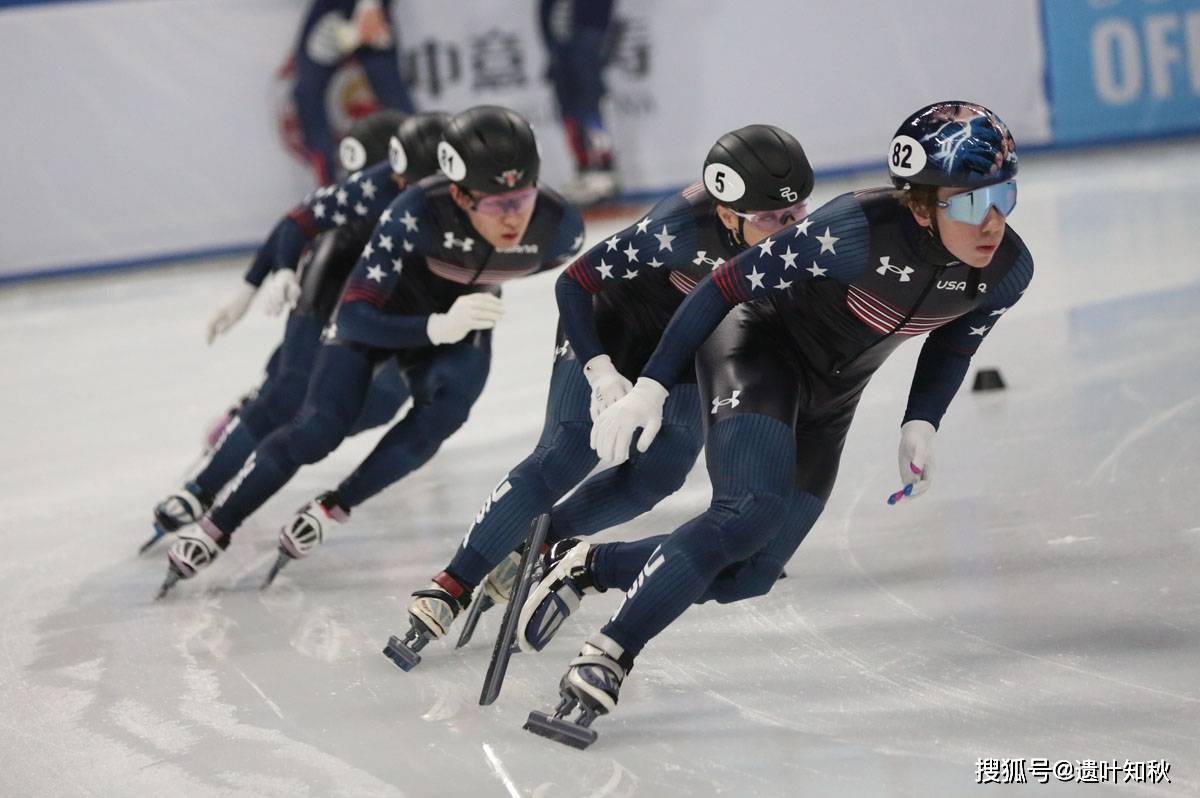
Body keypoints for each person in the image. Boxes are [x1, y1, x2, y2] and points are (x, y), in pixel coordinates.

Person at [523, 101, 1034, 743]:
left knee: (751, 574)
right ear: (920, 204)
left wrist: (921, 421)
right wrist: (650, 388)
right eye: (968, 204)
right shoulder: (853, 230)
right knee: (748, 512)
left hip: (833, 393)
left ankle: (589, 565)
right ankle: (607, 655)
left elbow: (955, 342)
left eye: (1004, 196)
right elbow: (719, 288)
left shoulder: (1010, 269)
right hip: (758, 349)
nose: (990, 221)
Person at [390, 124, 814, 660]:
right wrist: (599, 370)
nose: (790, 228)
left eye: (798, 211)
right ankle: (451, 584)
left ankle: (532, 546)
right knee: (566, 450)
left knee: (660, 473)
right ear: (728, 213)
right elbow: (573, 282)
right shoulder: (676, 228)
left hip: (682, 347)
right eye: (772, 219)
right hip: (610, 328)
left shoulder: (801, 242)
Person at [158, 106, 585, 595]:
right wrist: (261, 278)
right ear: (457, 192)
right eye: (495, 206)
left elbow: (560, 270)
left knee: (444, 406)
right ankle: (215, 514)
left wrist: (476, 295)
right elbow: (332, 271)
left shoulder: (559, 228)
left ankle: (332, 506)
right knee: (310, 417)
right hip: (364, 283)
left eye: (522, 200)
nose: (512, 219)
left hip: (452, 299)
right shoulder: (406, 206)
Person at [147, 111, 448, 552]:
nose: (399, 190)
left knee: (374, 406)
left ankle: (268, 420)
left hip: (395, 288)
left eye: (410, 183)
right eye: (394, 180)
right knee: (287, 392)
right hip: (336, 269)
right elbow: (298, 219)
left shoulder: (460, 199)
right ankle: (202, 487)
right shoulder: (376, 185)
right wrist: (258, 283)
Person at [293, 0, 415, 183]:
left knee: (396, 101)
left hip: (360, 13)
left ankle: (426, 176)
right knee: (308, 95)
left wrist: (369, 7)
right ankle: (330, 188)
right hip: (337, 11)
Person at [538, 0, 619, 205]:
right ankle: (583, 170)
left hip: (588, 34)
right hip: (559, 40)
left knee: (588, 105)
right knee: (568, 108)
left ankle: (603, 169)